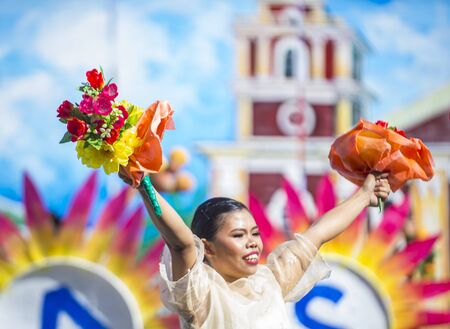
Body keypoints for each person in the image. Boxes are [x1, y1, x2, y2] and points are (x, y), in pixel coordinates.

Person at [120, 169, 390, 329]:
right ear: (208, 248)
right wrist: (143, 184)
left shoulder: (270, 282)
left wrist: (365, 195)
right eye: (238, 235)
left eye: (255, 233)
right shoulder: (200, 296)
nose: (252, 242)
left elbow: (318, 233)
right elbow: (181, 243)